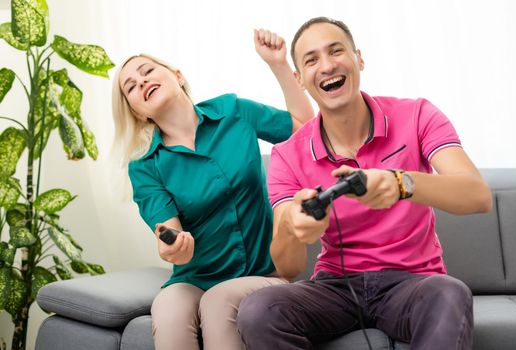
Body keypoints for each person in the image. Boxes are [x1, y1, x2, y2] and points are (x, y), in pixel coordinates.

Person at [237, 17, 493, 350]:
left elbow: (477, 195)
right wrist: (292, 226)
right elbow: (287, 266)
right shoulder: (287, 155)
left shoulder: (417, 115)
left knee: (449, 292)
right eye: (312, 60)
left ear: (359, 58)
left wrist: (402, 183)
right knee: (258, 311)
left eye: (336, 51)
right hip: (336, 288)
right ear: (299, 79)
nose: (327, 66)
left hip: (413, 282)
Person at [111, 29, 313, 350]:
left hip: (262, 271)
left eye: (147, 71)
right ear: (137, 111)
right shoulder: (145, 165)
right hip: (193, 278)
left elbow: (304, 131)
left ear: (177, 76)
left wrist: (278, 64)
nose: (141, 82)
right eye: (131, 87)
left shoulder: (233, 111)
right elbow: (167, 230)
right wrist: (174, 245)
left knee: (219, 301)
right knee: (168, 308)